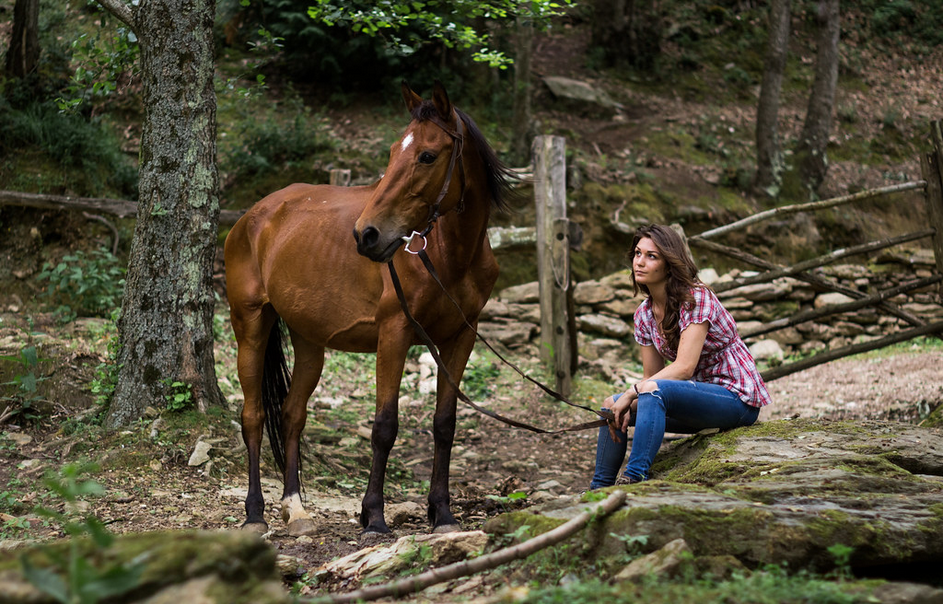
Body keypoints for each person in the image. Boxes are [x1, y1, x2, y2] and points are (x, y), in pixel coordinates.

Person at [591, 224, 772, 489]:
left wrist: (633, 393)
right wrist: (627, 401)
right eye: (637, 253)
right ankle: (599, 489)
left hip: (735, 398)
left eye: (651, 256)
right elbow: (651, 377)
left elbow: (684, 368)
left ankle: (634, 478)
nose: (639, 262)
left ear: (669, 264)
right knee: (612, 405)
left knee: (645, 392)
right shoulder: (644, 314)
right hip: (691, 400)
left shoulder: (696, 298)